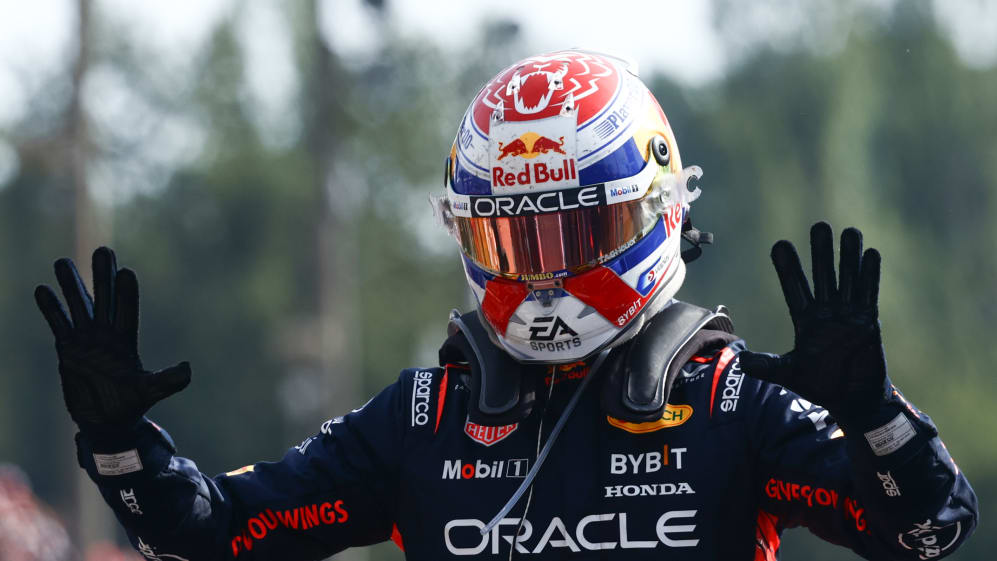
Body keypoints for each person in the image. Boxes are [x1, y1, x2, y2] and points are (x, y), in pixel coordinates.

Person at [35, 50, 977, 561]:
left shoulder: (733, 404)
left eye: (570, 238)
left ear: (657, 216)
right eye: (511, 243)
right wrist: (121, 443)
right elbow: (210, 539)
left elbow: (930, 534)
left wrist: (874, 419)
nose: (539, 275)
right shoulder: (423, 417)